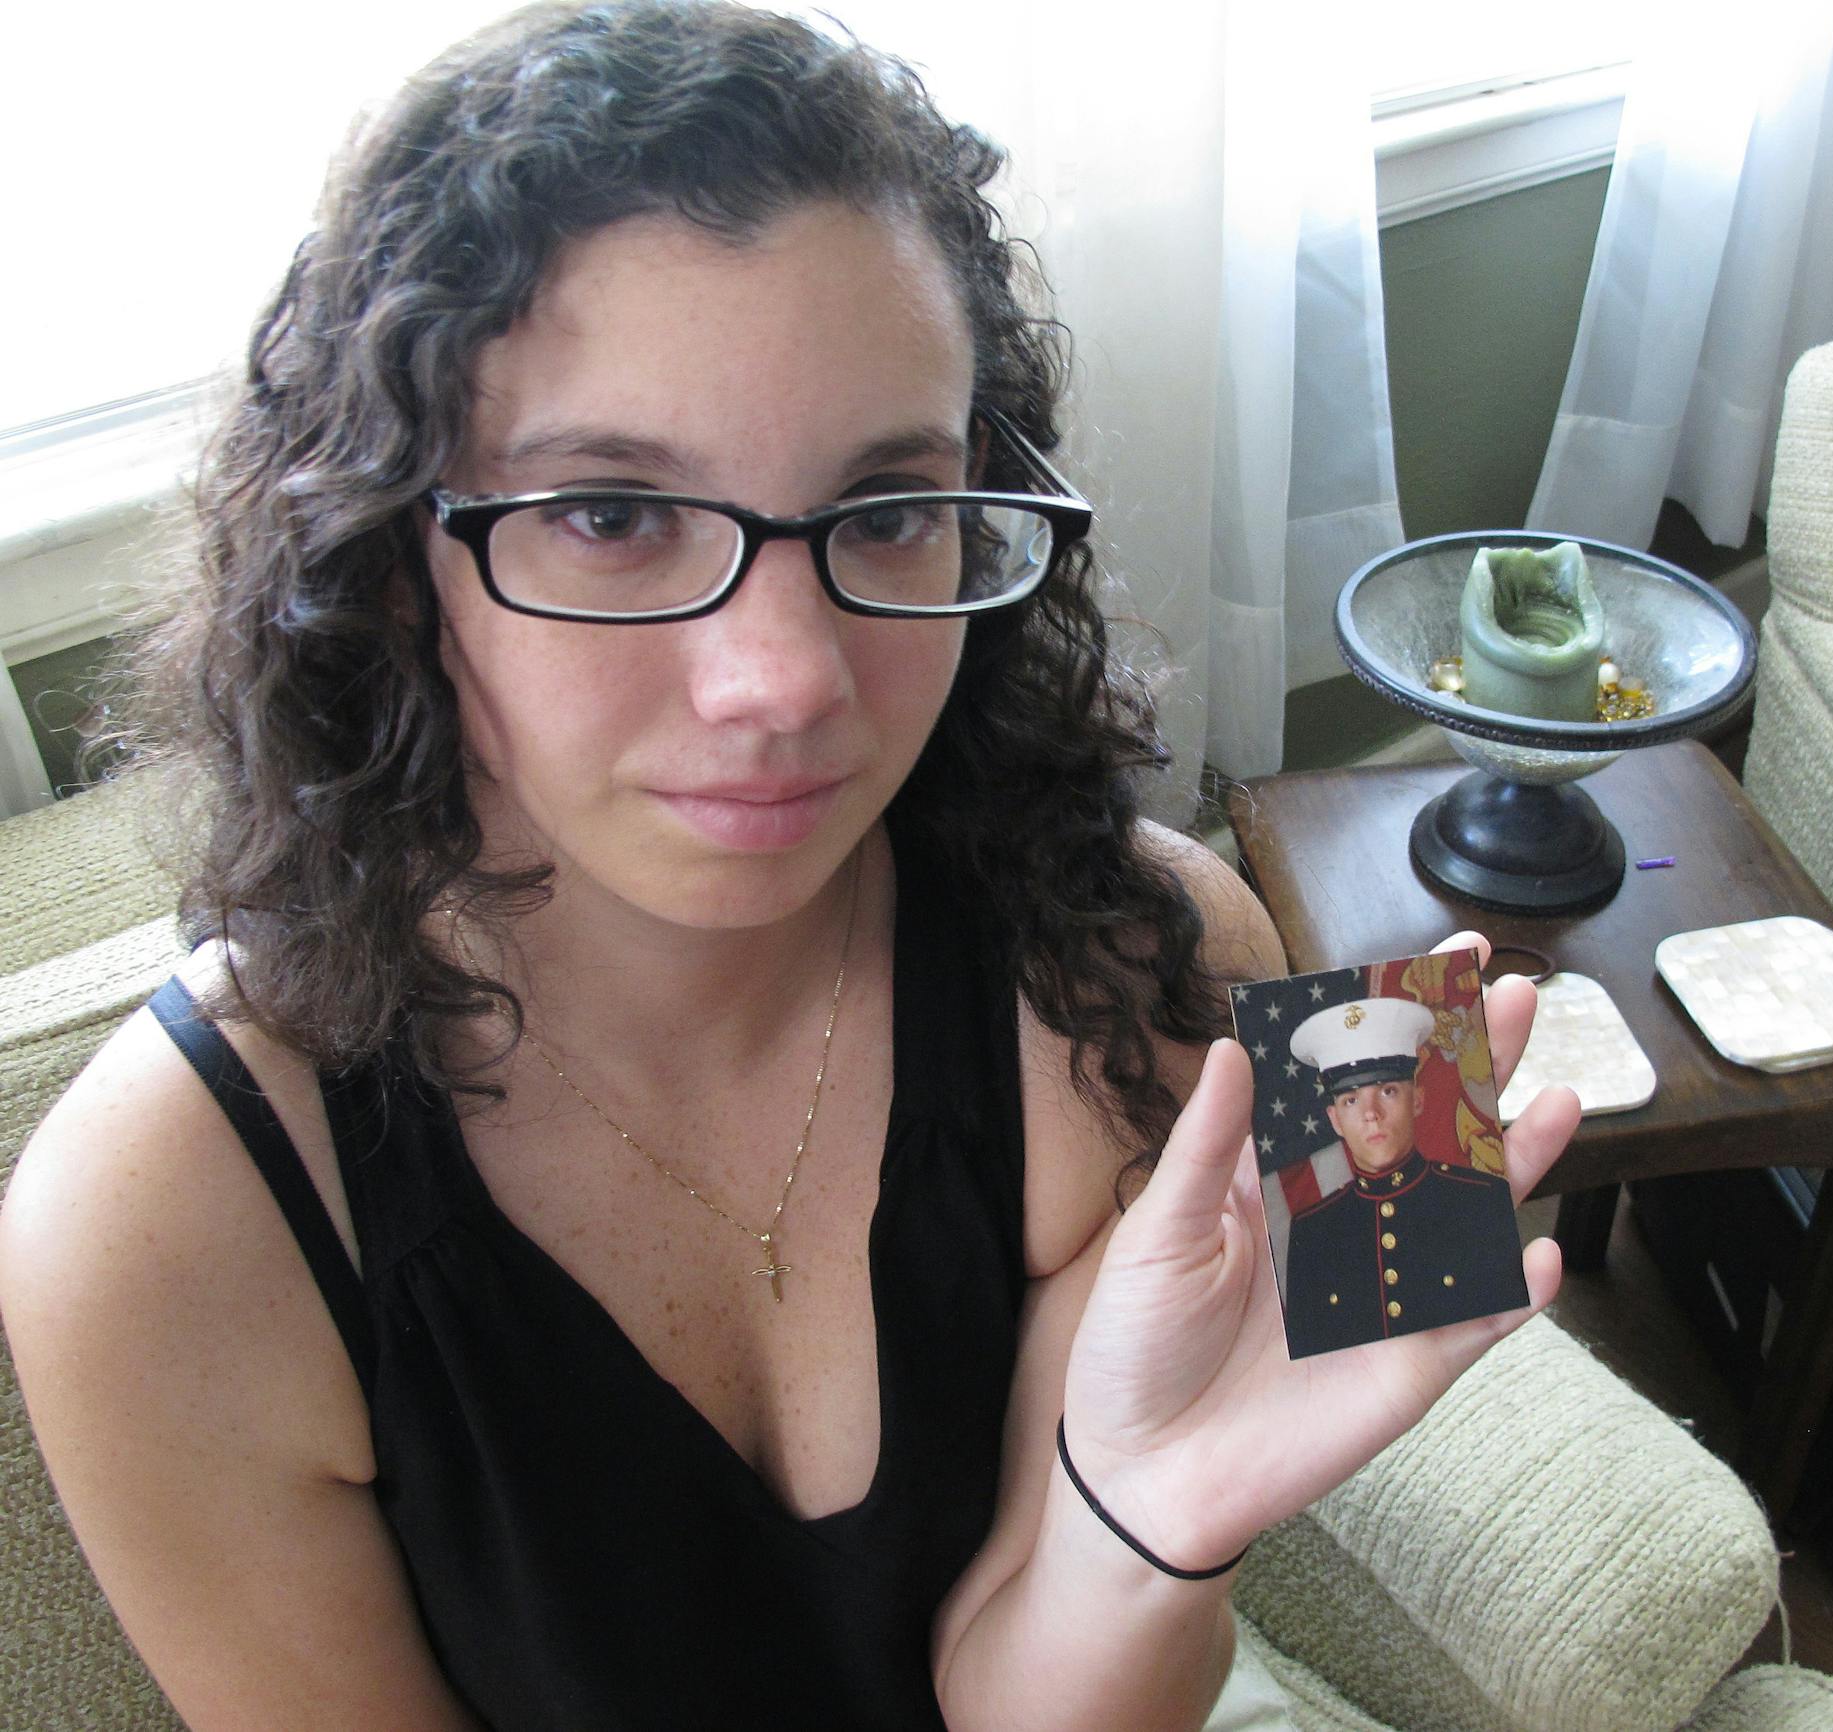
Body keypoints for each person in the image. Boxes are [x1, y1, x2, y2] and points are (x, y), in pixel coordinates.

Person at [0, 4, 1581, 1728]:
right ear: (392, 561)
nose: (789, 678)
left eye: (887, 508)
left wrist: (1150, 1539)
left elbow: (1036, 1680)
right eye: (611, 513)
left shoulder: (1132, 953)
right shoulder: (159, 1233)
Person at [1282, 998, 1527, 1358]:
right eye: (1351, 1100)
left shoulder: (1480, 1201)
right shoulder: (1312, 1231)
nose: (1371, 1114)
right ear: (1334, 1120)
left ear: (1417, 1101)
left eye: (1387, 1091)